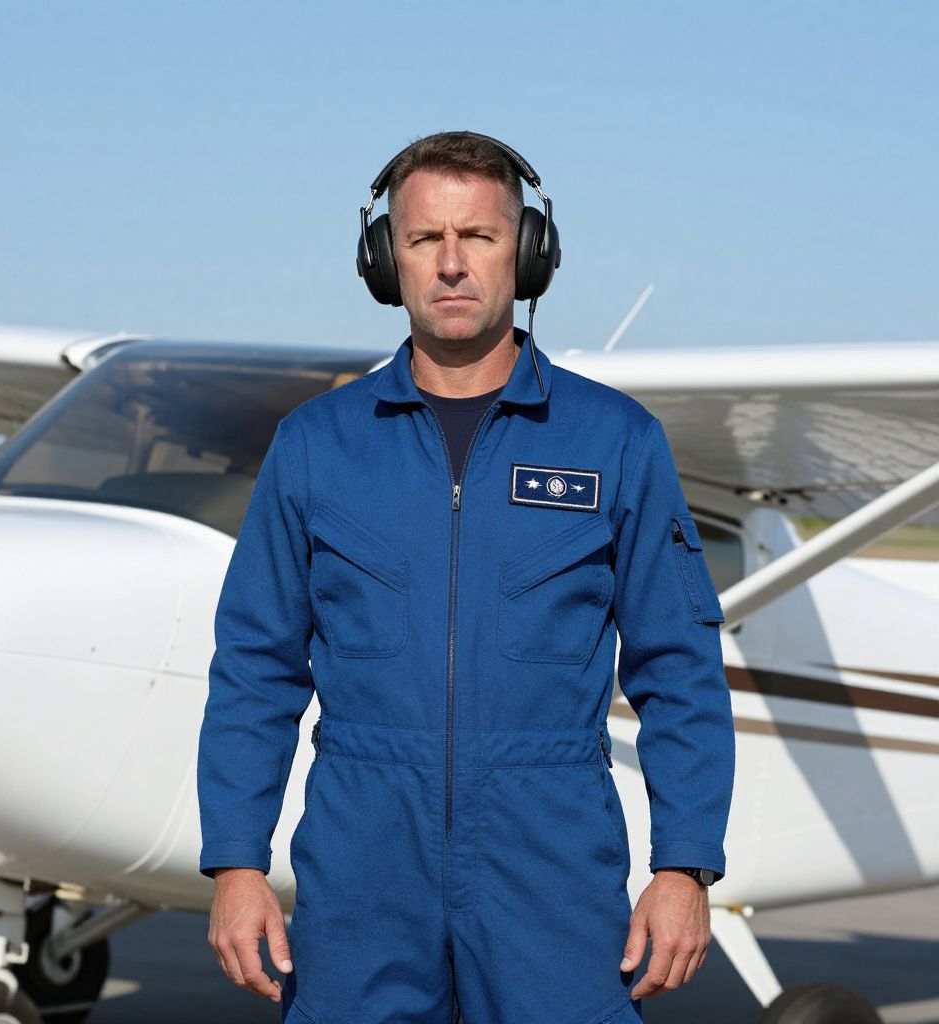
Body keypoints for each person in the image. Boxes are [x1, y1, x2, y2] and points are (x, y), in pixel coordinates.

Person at [197, 130, 735, 1023]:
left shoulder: (617, 442)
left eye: (479, 237)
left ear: (527, 253)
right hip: (361, 874)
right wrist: (237, 863)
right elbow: (254, 669)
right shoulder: (314, 446)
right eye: (423, 240)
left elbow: (679, 666)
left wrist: (684, 866)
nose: (451, 265)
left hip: (551, 873)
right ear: (385, 260)